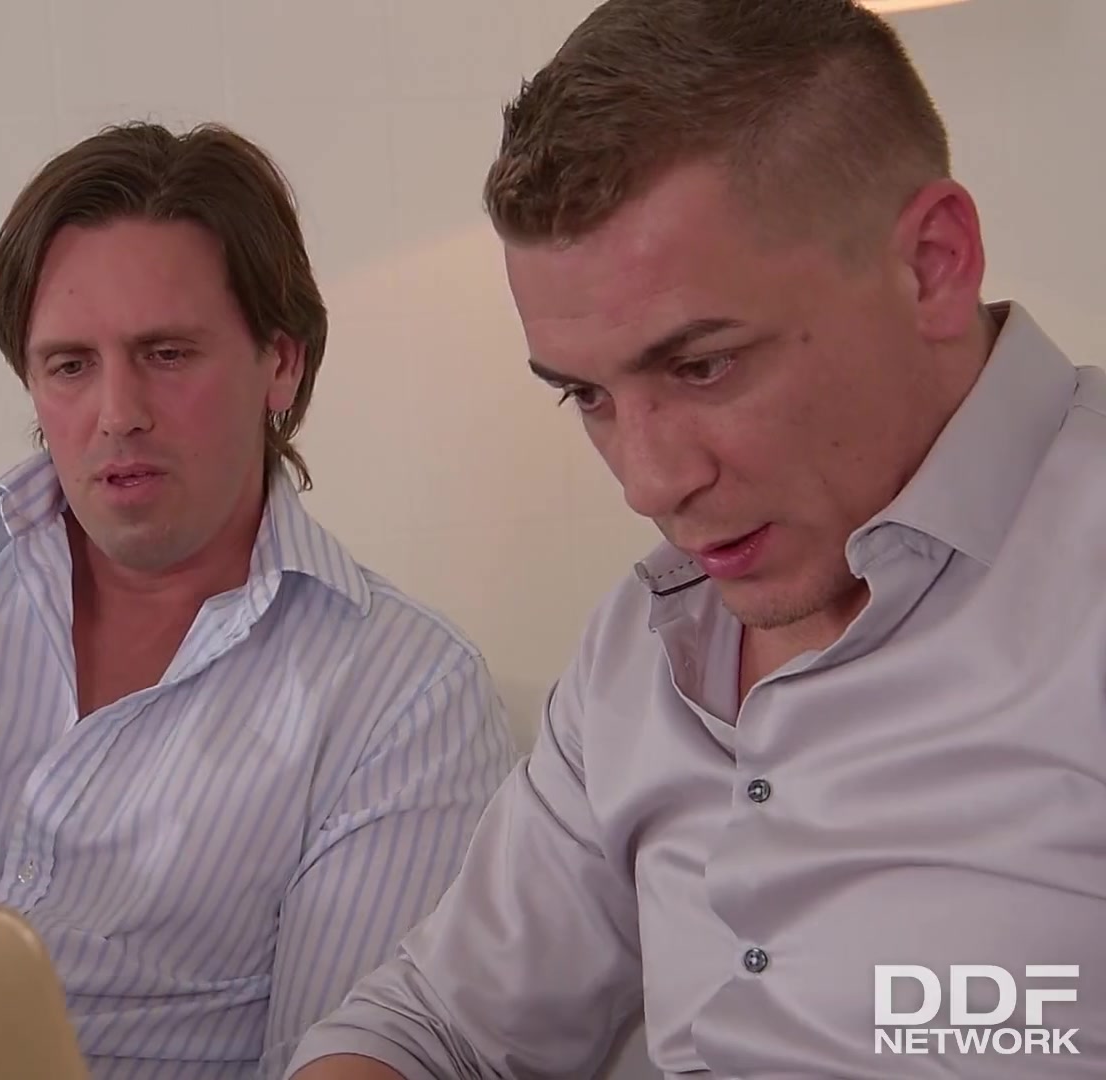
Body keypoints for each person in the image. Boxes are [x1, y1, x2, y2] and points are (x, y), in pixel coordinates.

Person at [286, 0, 1106, 1077]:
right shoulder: (642, 640)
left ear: (933, 263)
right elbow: (436, 1025)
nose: (649, 482)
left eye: (704, 366)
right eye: (585, 394)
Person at [0, 121, 518, 1079]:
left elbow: (348, 1051)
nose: (117, 414)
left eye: (167, 354)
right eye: (70, 365)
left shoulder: (406, 692)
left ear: (282, 361)